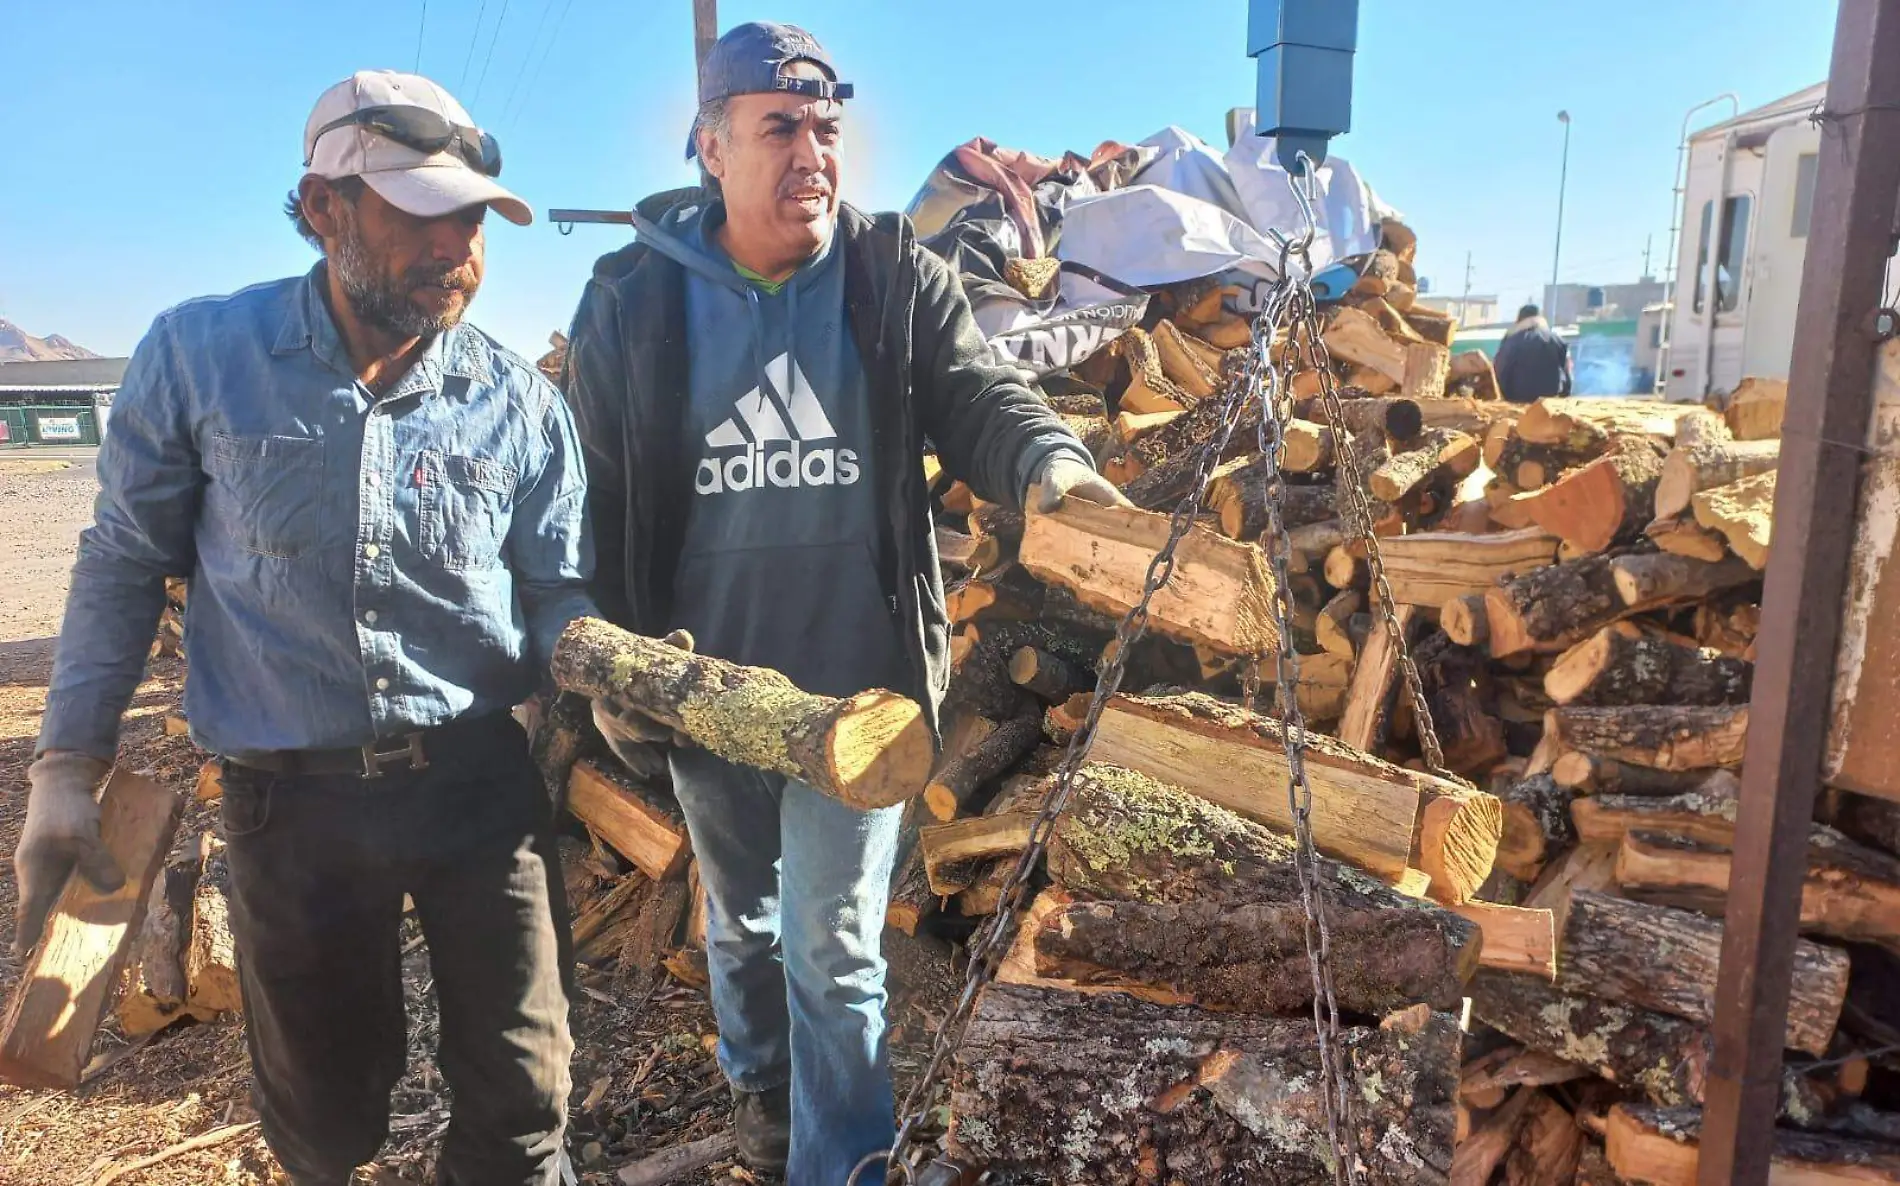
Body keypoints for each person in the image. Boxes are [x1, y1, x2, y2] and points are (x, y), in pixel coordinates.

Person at [562, 22, 1123, 1182]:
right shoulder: (629, 301)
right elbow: (593, 487)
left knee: (832, 945)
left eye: (826, 128)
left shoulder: (887, 275)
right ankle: (763, 1100)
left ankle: (843, 1166)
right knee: (745, 923)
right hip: (705, 691)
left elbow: (982, 395)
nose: (812, 152)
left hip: (863, 694)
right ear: (712, 147)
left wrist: (1055, 468)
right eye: (780, 128)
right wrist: (614, 665)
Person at [13, 71, 593, 1186]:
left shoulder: (522, 403)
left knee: (525, 1102)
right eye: (419, 214)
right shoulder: (200, 357)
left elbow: (559, 588)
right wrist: (65, 764)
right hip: (293, 800)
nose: (455, 248)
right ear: (323, 206)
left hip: (476, 786)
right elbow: (126, 559)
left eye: (471, 218)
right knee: (326, 1121)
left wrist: (601, 657)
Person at [1493, 302, 1573, 402]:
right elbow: (1567, 372)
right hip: (1551, 403)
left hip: (1518, 404)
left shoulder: (1511, 341)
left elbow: (1500, 372)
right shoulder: (1558, 341)